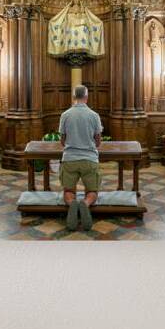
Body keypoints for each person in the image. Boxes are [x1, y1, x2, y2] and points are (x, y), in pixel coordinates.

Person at [58, 85, 103, 231]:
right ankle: (85, 203)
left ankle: (72, 204)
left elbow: (62, 140)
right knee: (92, 191)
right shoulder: (94, 115)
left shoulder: (65, 114)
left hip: (70, 158)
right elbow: (98, 141)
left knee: (68, 191)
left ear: (73, 97)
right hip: (89, 159)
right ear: (86, 97)